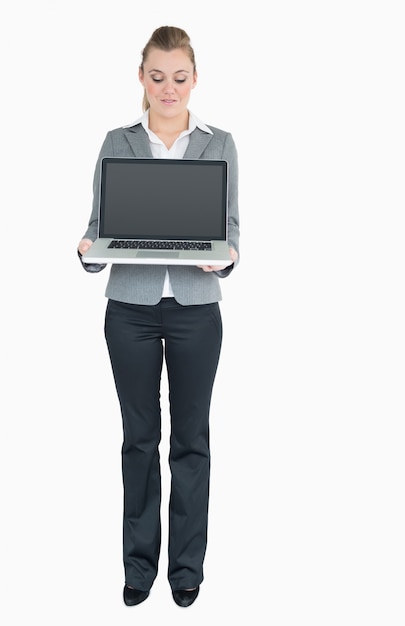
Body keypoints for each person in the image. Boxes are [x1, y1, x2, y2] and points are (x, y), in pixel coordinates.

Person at [77, 25, 239, 608]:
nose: (168, 88)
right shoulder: (116, 142)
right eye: (156, 76)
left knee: (191, 441)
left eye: (178, 77)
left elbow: (231, 229)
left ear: (194, 79)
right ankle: (140, 567)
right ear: (141, 78)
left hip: (197, 313)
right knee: (139, 440)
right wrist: (88, 250)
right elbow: (100, 229)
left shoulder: (218, 143)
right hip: (131, 312)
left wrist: (227, 257)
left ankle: (186, 570)